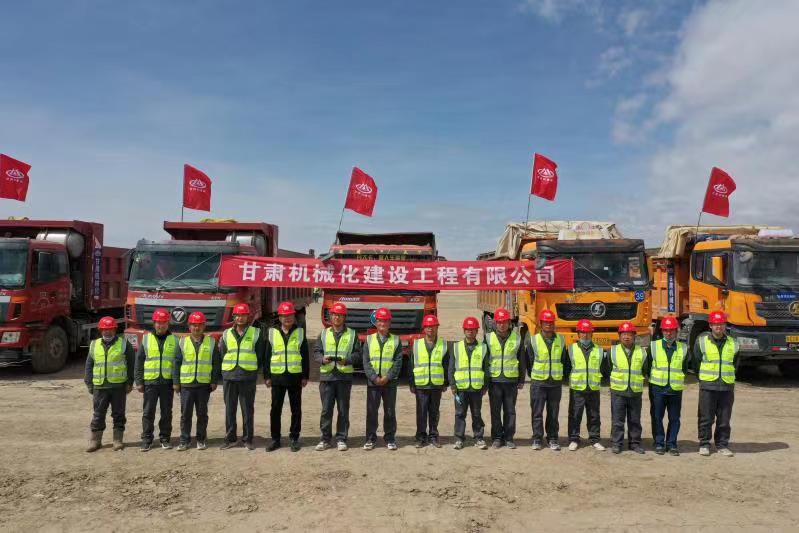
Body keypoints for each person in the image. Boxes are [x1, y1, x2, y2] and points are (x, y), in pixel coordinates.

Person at [84, 316, 135, 452]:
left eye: (110, 329)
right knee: (98, 414)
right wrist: (89, 383)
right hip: (100, 387)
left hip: (118, 387)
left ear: (115, 330)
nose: (107, 332)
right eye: (105, 329)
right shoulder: (94, 345)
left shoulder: (124, 344)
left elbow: (131, 364)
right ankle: (95, 441)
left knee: (118, 414)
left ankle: (117, 440)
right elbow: (89, 365)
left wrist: (130, 382)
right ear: (100, 330)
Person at [314, 302, 360, 451]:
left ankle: (341, 438)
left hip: (343, 377)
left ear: (344, 317)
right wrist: (322, 359)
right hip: (327, 377)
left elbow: (358, 354)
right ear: (330, 316)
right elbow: (316, 352)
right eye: (334, 315)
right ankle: (325, 439)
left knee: (343, 409)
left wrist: (347, 360)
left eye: (340, 315)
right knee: (326, 410)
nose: (337, 318)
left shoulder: (352, 334)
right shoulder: (323, 334)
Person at [219, 303, 265, 450]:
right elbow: (223, 354)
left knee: (247, 409)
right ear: (234, 317)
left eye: (243, 315)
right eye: (238, 315)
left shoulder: (256, 333)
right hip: (230, 376)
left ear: (248, 317)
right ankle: (230, 438)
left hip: (247, 377)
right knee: (230, 409)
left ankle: (248, 439)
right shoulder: (226, 334)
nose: (240, 318)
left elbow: (260, 355)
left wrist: (252, 370)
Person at [173, 311, 222, 451]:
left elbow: (216, 363)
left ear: (204, 326)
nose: (197, 328)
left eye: (199, 325)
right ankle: (184, 440)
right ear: (189, 326)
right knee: (185, 414)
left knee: (202, 414)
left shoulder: (211, 342)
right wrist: (176, 382)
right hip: (186, 385)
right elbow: (176, 363)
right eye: (194, 325)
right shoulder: (182, 342)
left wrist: (214, 380)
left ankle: (201, 439)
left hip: (203, 385)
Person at [265, 301, 309, 452]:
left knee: (296, 410)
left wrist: (305, 376)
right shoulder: (272, 332)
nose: (287, 318)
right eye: (284, 316)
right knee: (275, 409)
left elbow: (305, 355)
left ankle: (294, 438)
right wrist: (267, 376)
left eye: (290, 315)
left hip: (295, 377)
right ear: (279, 317)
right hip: (277, 377)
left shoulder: (300, 332)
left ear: (294, 316)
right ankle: (275, 439)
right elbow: (267, 355)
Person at [694, 310, 739, 457]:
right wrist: (703, 378)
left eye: (721, 324)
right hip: (708, 385)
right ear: (710, 325)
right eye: (715, 324)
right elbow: (696, 362)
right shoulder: (701, 341)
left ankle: (722, 445)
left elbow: (735, 364)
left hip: (726, 386)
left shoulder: (733, 343)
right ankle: (704, 444)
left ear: (725, 325)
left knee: (724, 419)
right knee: (705, 417)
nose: (718, 327)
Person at [644, 316, 690, 456]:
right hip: (657, 388)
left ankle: (671, 444)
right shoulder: (653, 346)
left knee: (674, 418)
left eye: (671, 330)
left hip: (675, 389)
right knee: (657, 417)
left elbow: (684, 368)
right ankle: (659, 443)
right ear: (662, 331)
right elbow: (647, 367)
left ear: (676, 331)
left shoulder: (683, 348)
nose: (668, 333)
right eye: (666, 330)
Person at [134, 308, 177, 451]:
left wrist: (176, 382)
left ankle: (165, 439)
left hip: (167, 383)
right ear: (154, 323)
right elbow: (139, 361)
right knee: (148, 412)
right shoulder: (146, 339)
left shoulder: (175, 340)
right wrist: (139, 381)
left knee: (166, 412)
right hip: (150, 383)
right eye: (158, 322)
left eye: (164, 322)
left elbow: (177, 363)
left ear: (168, 323)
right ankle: (147, 439)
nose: (161, 325)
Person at [564, 319, 609, 451]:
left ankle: (595, 439)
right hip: (577, 388)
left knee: (594, 415)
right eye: (583, 332)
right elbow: (566, 368)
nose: (585, 335)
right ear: (578, 334)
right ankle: (574, 439)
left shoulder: (599, 350)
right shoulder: (571, 349)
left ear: (592, 334)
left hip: (593, 388)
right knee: (575, 415)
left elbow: (604, 369)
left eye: (588, 333)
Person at [362, 307, 403, 450]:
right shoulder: (369, 339)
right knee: (371, 411)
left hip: (389, 383)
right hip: (373, 383)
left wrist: (387, 377)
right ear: (376, 322)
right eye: (380, 320)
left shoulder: (396, 340)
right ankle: (370, 438)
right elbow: (366, 361)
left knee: (390, 411)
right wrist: (374, 378)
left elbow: (398, 362)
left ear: (389, 323)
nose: (382, 324)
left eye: (385, 321)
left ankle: (390, 438)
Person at [485, 307, 525, 449]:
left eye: (504, 322)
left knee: (510, 411)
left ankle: (509, 438)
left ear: (509, 323)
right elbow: (484, 360)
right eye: (499, 322)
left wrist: (521, 379)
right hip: (494, 380)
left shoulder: (517, 338)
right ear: (495, 323)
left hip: (510, 381)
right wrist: (485, 380)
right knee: (495, 411)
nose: (502, 325)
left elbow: (522, 359)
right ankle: (497, 438)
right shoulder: (488, 338)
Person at [527, 309, 566, 451]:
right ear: (541, 324)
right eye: (546, 322)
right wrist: (536, 376)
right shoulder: (533, 341)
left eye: (551, 322)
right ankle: (537, 438)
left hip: (555, 383)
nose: (549, 325)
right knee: (537, 413)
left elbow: (563, 360)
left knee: (553, 413)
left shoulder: (561, 340)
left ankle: (553, 438)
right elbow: (529, 361)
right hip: (538, 383)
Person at [409, 314, 449, 448]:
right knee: (421, 412)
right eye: (428, 327)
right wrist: (412, 383)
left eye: (433, 326)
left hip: (436, 384)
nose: (430, 329)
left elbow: (446, 364)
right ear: (424, 328)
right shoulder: (416, 344)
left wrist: (446, 382)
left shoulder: (443, 344)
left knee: (434, 412)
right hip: (421, 385)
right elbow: (411, 365)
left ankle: (433, 436)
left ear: (437, 328)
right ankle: (421, 437)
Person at [450, 316, 490, 450]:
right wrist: (452, 385)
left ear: (477, 331)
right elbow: (451, 368)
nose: (470, 331)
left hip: (476, 388)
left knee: (476, 413)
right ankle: (459, 438)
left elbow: (486, 368)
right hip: (460, 388)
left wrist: (485, 385)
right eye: (468, 329)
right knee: (460, 414)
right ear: (464, 330)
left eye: (473, 329)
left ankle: (479, 438)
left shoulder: (483, 348)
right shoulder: (456, 347)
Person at [609, 321, 647, 454]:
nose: (626, 337)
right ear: (619, 336)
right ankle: (616, 443)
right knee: (617, 420)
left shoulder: (642, 352)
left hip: (635, 391)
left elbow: (645, 370)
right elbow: (607, 369)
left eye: (629, 334)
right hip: (618, 391)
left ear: (634, 336)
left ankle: (635, 443)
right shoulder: (612, 351)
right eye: (624, 334)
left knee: (635, 419)